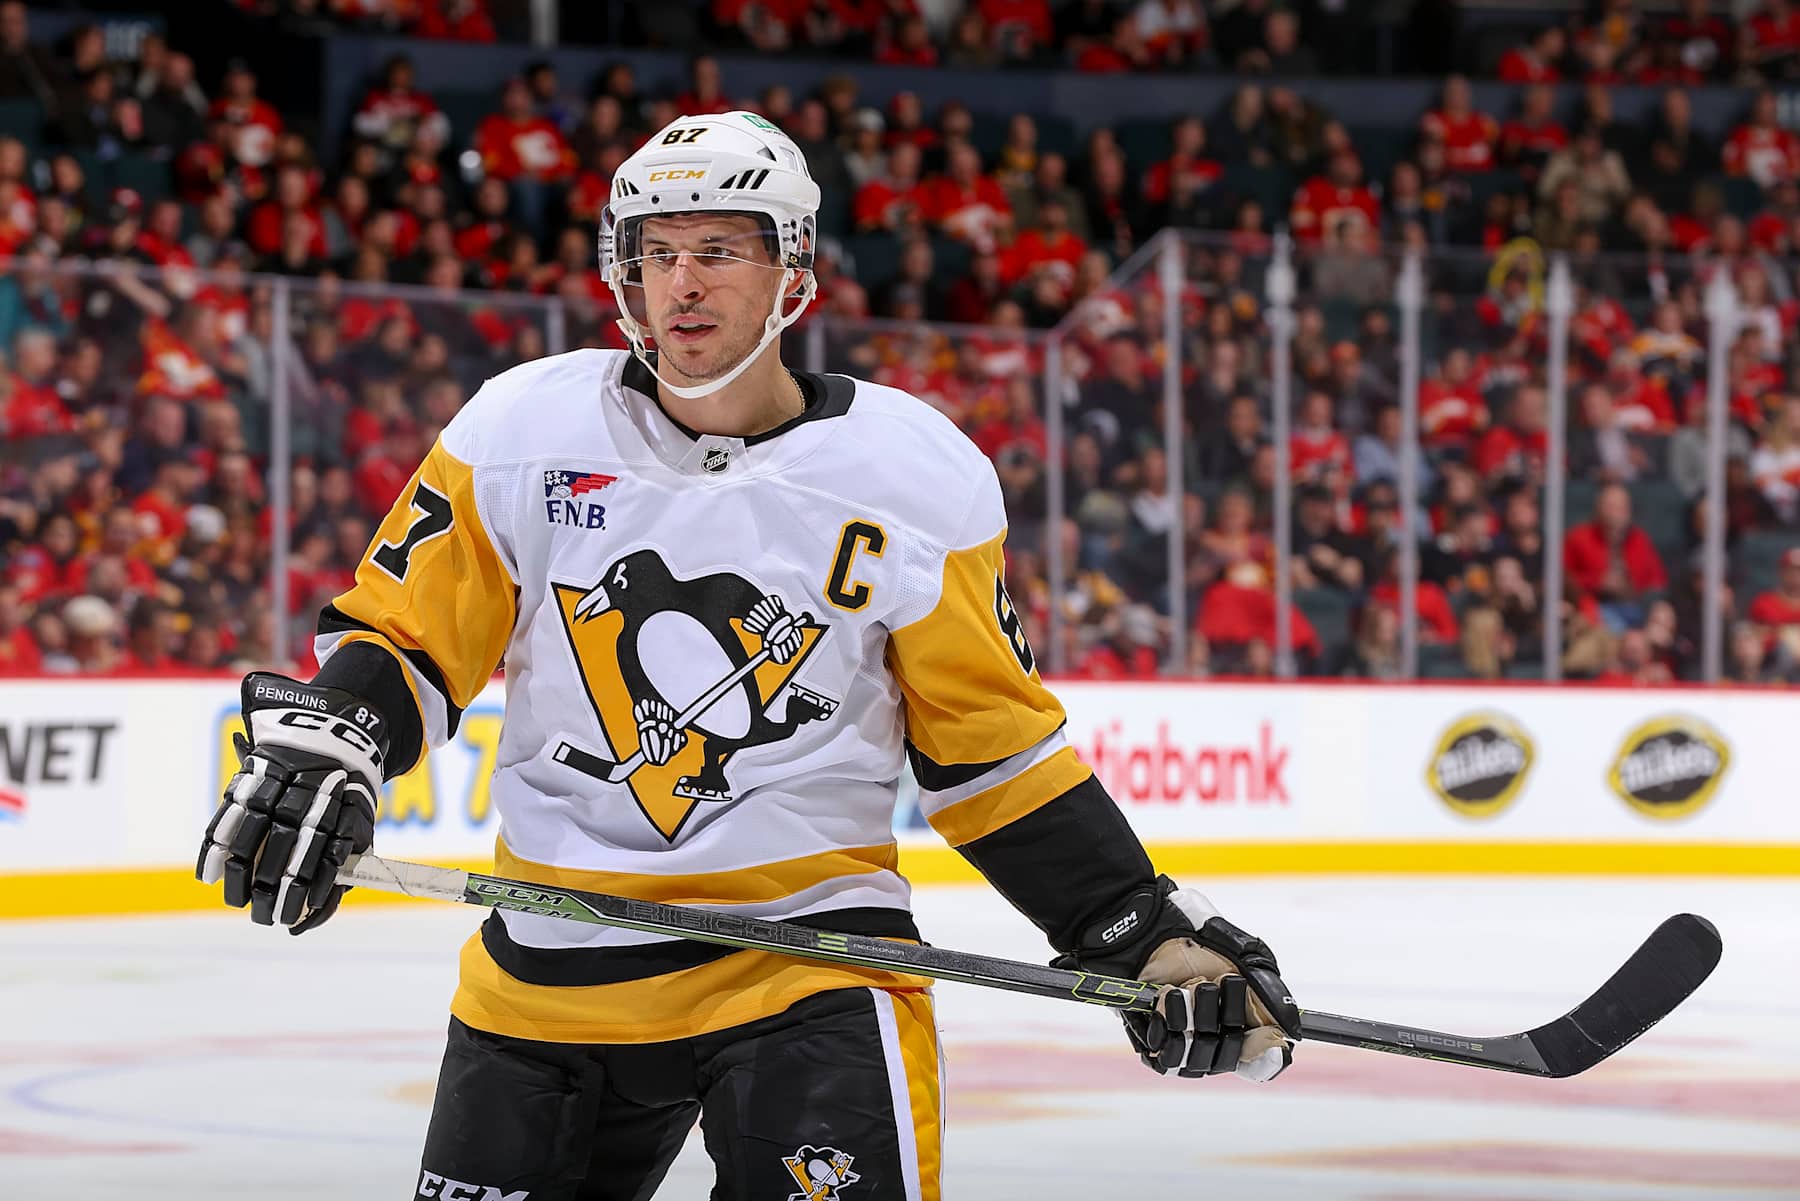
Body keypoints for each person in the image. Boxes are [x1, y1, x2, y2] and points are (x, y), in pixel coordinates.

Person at [196, 111, 1301, 1201]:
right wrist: (337, 741)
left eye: (719, 250)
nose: (681, 282)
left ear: (793, 271)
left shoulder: (915, 475)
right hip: (547, 962)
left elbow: (988, 751)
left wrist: (1134, 927)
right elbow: (405, 637)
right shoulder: (518, 430)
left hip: (806, 962)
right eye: (656, 252)